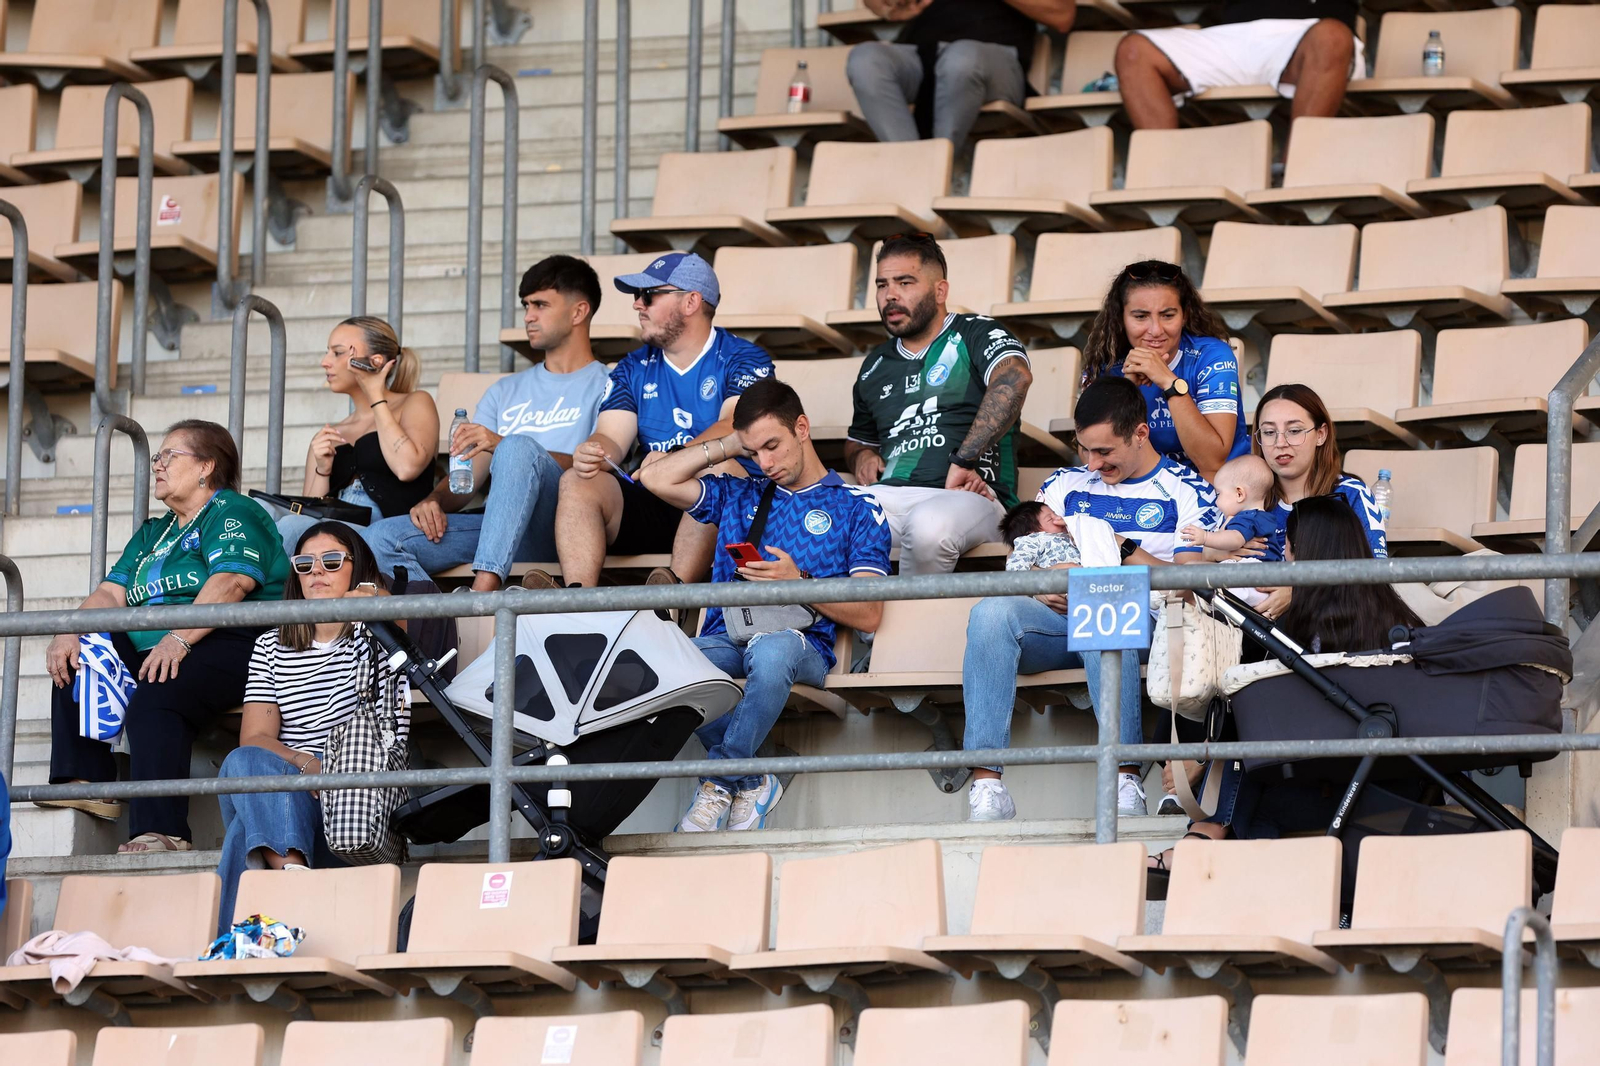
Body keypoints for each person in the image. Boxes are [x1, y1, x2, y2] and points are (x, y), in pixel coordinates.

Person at [961, 377, 1221, 821]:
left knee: (1106, 609)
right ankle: (988, 787)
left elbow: (1188, 585)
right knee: (989, 613)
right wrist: (1042, 581)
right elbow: (1027, 557)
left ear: (1141, 434)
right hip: (1061, 619)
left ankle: (1123, 777)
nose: (1092, 462)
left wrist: (1120, 553)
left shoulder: (1186, 491)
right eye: (1084, 449)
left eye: (1104, 451)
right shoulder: (1064, 485)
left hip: (1147, 622)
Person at [639, 378, 891, 832]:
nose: (766, 462)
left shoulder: (857, 506)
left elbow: (871, 612)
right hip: (727, 637)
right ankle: (752, 779)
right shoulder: (742, 492)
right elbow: (655, 478)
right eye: (755, 452)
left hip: (803, 647)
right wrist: (732, 443)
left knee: (773, 649)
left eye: (773, 445)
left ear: (802, 427)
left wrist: (800, 583)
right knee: (660, 660)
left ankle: (718, 781)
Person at [42, 421, 289, 854]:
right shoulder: (154, 532)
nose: (157, 465)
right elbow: (109, 593)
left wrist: (179, 638)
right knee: (83, 652)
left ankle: (165, 832)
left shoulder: (233, 510)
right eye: (157, 456)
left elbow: (231, 582)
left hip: (232, 639)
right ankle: (89, 782)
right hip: (156, 642)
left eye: (169, 456)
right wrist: (70, 629)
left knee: (159, 688)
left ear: (206, 467)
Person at [1153, 494, 1421, 867]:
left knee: (1251, 734)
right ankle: (1218, 849)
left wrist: (1206, 756)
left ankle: (1204, 838)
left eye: (1288, 551)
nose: (1283, 561)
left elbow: (1267, 719)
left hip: (1345, 789)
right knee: (1259, 797)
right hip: (1394, 785)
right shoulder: (1400, 620)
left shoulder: (1296, 630)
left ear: (1301, 554)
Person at [364, 257, 613, 592]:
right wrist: (435, 500)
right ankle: (442, 627)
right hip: (497, 525)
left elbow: (605, 467)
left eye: (540, 305)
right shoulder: (504, 391)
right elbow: (470, 474)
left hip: (565, 528)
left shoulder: (610, 382)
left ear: (578, 312)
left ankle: (483, 593)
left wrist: (504, 443)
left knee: (518, 447)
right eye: (526, 305)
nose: (528, 316)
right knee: (381, 538)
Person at [532, 253, 776, 591]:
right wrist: (594, 451)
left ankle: (672, 603)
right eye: (636, 296)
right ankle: (576, 601)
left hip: (727, 506)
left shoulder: (744, 357)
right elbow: (611, 436)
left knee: (714, 471)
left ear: (691, 302)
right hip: (654, 495)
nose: (637, 306)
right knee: (578, 479)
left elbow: (736, 426)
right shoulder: (632, 366)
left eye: (648, 295)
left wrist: (677, 459)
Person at [214, 522, 407, 934]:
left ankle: (230, 941)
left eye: (332, 561)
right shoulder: (271, 644)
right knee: (243, 760)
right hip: (292, 784)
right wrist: (306, 764)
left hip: (352, 796)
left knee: (242, 828)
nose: (317, 571)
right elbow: (257, 738)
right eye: (304, 564)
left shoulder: (371, 633)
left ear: (356, 568)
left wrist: (368, 593)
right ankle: (294, 874)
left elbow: (399, 619)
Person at [844, 233, 1033, 576]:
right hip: (889, 495)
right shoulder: (874, 365)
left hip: (973, 498)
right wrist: (862, 456)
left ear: (940, 290)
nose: (891, 295)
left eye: (905, 282)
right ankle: (864, 630)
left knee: (929, 525)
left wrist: (965, 458)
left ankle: (907, 629)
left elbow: (1014, 378)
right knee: (817, 515)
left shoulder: (975, 333)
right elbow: (859, 439)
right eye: (882, 284)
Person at [277, 316, 438, 556]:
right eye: (327, 352)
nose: (325, 362)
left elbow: (407, 467)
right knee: (266, 513)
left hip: (386, 533)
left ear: (376, 361)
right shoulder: (331, 432)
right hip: (333, 531)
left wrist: (375, 392)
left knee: (289, 527)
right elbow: (307, 514)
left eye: (338, 353)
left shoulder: (415, 402)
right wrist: (323, 469)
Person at [1082, 260, 1248, 484]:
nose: (1156, 330)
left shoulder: (1213, 356)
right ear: (1121, 318)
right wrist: (1125, 392)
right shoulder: (1108, 362)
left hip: (1219, 490)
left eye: (1168, 315)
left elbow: (1212, 461)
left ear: (1185, 315)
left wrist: (1169, 383)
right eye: (1140, 317)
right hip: (1145, 492)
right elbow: (1091, 457)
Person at [846, 0, 1077, 151]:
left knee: (961, 57)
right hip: (924, 53)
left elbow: (1062, 15)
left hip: (996, 62)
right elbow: (875, 3)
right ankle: (909, 165)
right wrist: (888, 6)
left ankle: (939, 165)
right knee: (866, 59)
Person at [1113, 1, 1361, 140]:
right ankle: (1163, 173)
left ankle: (1297, 168)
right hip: (1234, 37)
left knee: (1333, 38)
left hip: (1311, 35)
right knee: (1134, 51)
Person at [1250, 382, 1387, 620]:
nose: (1280, 443)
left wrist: (1298, 593)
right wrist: (1213, 553)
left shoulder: (1350, 494)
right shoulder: (1249, 499)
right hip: (1255, 631)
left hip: (1335, 630)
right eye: (1269, 432)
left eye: (1294, 431)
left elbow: (1373, 577)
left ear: (1321, 434)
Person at [1181, 454, 1280, 561]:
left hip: (1254, 570)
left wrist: (1206, 537)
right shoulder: (1254, 517)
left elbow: (1235, 540)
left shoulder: (1249, 518)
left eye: (1219, 494)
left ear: (1239, 494)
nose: (1216, 501)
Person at [1000, 500, 1081, 572]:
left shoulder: (1070, 535)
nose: (1059, 518)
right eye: (1050, 519)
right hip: (1055, 583)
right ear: (1031, 533)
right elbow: (1016, 567)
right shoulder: (1031, 541)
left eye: (1055, 514)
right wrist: (1051, 571)